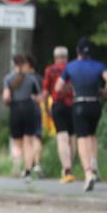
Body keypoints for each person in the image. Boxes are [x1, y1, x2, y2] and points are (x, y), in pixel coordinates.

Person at [55, 37, 107, 192]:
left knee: (81, 138)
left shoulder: (71, 66)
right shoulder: (98, 65)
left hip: (79, 103)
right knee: (92, 135)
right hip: (95, 104)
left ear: (77, 51)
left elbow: (58, 87)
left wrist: (69, 88)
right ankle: (94, 165)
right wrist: (104, 92)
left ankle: (88, 172)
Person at [2, 54, 43, 181]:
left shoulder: (8, 79)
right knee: (28, 142)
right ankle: (28, 170)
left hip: (16, 109)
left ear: (13, 64)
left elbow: (6, 97)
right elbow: (40, 97)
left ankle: (16, 167)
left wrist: (9, 102)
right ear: (25, 64)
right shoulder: (31, 79)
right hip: (29, 109)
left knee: (16, 142)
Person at [42, 45, 76, 183]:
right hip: (73, 105)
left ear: (55, 58)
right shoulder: (73, 69)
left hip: (58, 105)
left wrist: (46, 108)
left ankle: (66, 169)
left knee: (62, 137)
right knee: (72, 138)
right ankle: (70, 167)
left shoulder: (50, 70)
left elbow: (45, 92)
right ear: (67, 58)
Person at [25, 54, 44, 178]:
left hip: (27, 110)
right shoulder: (40, 78)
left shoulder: (25, 79)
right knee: (37, 137)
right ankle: (36, 165)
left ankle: (28, 167)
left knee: (28, 139)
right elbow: (43, 95)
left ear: (28, 65)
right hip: (37, 110)